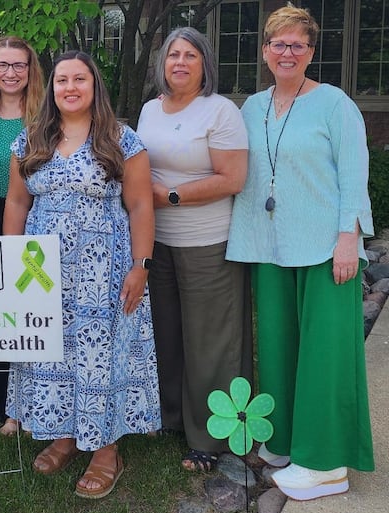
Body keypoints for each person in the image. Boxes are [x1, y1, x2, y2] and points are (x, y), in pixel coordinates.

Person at [227, 4, 374, 500]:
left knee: (324, 355)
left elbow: (354, 172)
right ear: (265, 50)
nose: (287, 52)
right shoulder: (252, 106)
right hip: (270, 245)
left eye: (298, 44)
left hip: (325, 245)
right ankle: (286, 439)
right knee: (278, 347)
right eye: (278, 44)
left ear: (311, 52)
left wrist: (348, 237)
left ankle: (325, 463)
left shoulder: (335, 104)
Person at [4, 50, 160, 499]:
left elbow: (141, 205)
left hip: (103, 268)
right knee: (53, 350)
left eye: (79, 80)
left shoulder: (120, 139)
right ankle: (66, 434)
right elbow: (17, 203)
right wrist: (13, 265)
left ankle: (106, 449)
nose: (69, 87)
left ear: (94, 87)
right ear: (51, 89)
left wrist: (141, 265)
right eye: (61, 81)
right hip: (41, 269)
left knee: (99, 354)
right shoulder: (31, 139)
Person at [136, 27, 251, 473]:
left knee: (210, 340)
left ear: (205, 64)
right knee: (165, 333)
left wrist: (174, 197)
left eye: (190, 55)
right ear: (162, 63)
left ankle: (211, 433)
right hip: (156, 240)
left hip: (207, 241)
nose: (180, 62)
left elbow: (232, 179)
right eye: (173, 55)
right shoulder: (150, 109)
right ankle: (170, 417)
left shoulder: (220, 111)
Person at [0, 36, 44, 436]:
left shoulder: (46, 116)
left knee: (33, 309)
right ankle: (5, 404)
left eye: (19, 65)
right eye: (3, 65)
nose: (11, 73)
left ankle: (38, 393)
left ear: (31, 70)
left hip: (37, 217)